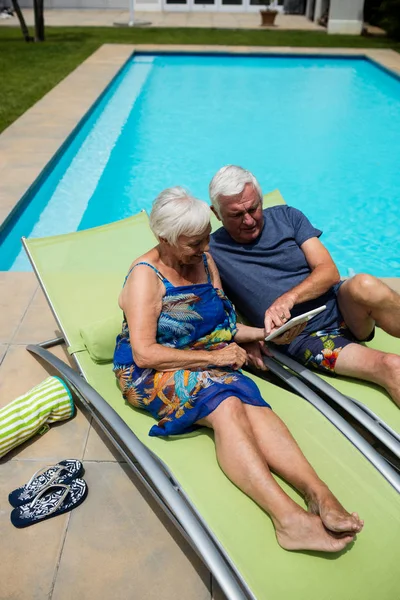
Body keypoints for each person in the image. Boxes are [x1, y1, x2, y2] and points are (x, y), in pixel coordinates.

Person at [113, 186, 363, 553]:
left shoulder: (205, 259)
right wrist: (214, 359)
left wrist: (267, 334)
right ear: (163, 237)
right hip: (152, 370)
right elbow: (146, 353)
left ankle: (318, 494)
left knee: (254, 404)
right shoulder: (144, 277)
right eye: (192, 243)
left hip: (208, 355)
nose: (202, 249)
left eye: (203, 240)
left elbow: (223, 327)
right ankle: (287, 520)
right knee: (226, 404)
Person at [208, 165, 400, 406]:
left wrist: (288, 298)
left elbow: (329, 272)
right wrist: (245, 337)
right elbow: (215, 312)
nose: (248, 220)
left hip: (342, 308)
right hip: (305, 338)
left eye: (253, 208)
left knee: (364, 283)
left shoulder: (287, 216)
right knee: (392, 366)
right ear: (216, 213)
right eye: (236, 215)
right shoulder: (212, 252)